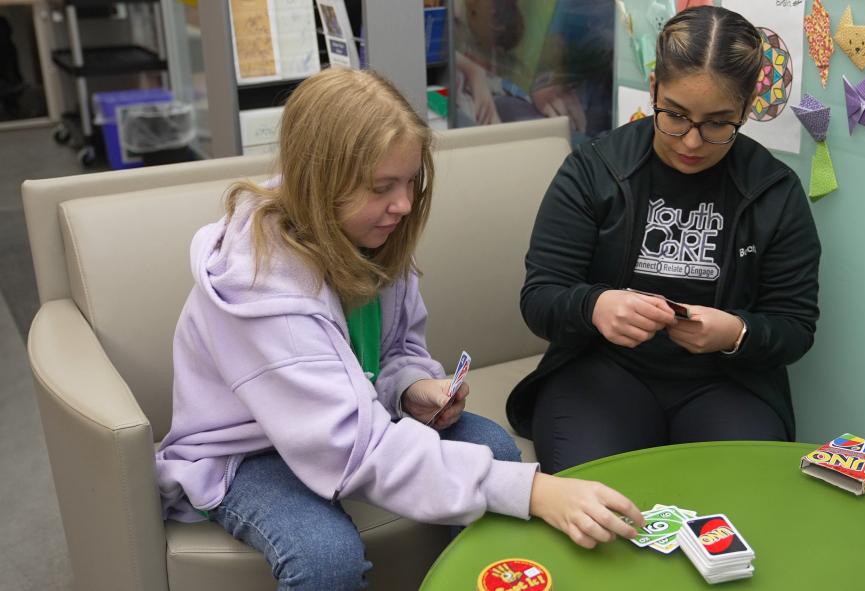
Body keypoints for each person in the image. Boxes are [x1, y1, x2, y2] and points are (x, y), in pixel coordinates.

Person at [154, 68, 644, 590]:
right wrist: (536, 492)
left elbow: (394, 351)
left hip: (350, 424)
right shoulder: (262, 288)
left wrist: (410, 386)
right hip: (249, 455)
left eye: (411, 181)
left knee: (495, 451)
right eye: (383, 187)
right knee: (325, 555)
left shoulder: (366, 232)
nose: (405, 204)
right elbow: (352, 451)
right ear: (319, 182)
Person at [507, 6, 821, 473]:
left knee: (745, 500)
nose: (691, 142)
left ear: (748, 109)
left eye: (718, 123)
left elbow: (795, 326)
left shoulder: (773, 192)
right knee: (598, 502)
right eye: (674, 115)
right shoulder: (595, 170)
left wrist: (735, 333)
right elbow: (540, 298)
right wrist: (595, 306)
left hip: (728, 383)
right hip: (600, 372)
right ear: (654, 88)